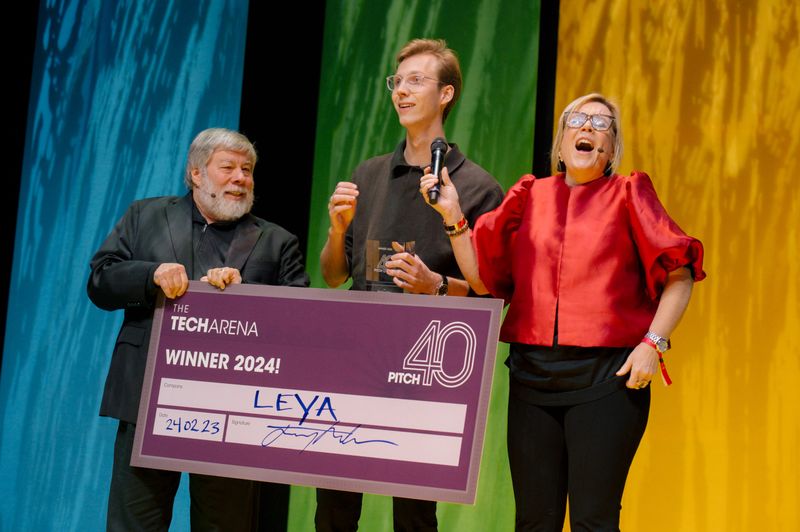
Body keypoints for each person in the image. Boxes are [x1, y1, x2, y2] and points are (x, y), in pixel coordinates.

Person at [420, 93, 706, 531]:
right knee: (535, 521)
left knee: (593, 519)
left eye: (601, 123)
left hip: (607, 380)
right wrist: (453, 214)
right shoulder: (529, 195)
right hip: (533, 378)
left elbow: (680, 273)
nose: (588, 127)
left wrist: (654, 343)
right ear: (560, 143)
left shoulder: (629, 192)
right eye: (577, 119)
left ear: (611, 149)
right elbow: (481, 281)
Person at [318, 38, 503, 531]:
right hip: (353, 353)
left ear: (445, 94)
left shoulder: (479, 187)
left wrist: (435, 284)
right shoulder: (369, 173)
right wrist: (337, 230)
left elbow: (490, 290)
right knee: (334, 500)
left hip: (423, 364)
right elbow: (334, 275)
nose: (401, 91)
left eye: (416, 81)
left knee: (414, 509)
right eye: (396, 82)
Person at [87, 128, 309, 531]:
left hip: (234, 414)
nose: (241, 177)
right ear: (196, 174)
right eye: (228, 168)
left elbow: (302, 321)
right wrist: (150, 274)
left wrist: (249, 295)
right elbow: (101, 281)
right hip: (149, 402)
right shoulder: (146, 216)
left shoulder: (278, 241)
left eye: (248, 170)